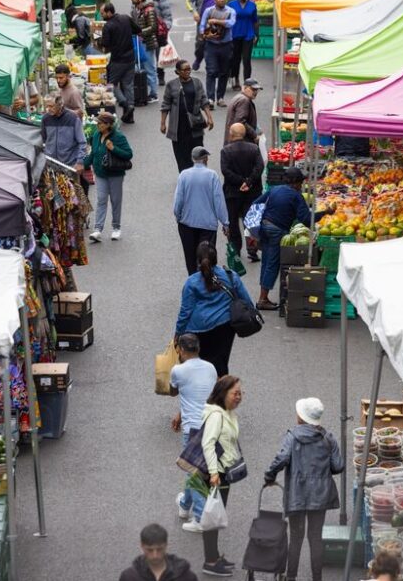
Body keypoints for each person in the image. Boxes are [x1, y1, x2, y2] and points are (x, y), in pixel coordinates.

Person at [264, 398, 345, 581]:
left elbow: (282, 458)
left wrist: (270, 475)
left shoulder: (292, 437)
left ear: (301, 417)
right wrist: (324, 469)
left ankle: (291, 577)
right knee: (316, 538)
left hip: (297, 494)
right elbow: (338, 465)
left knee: (296, 537)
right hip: (320, 494)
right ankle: (317, 578)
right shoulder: (328, 437)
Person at [176, 242, 251, 382]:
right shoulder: (231, 276)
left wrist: (178, 334)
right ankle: (220, 395)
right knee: (221, 365)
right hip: (225, 328)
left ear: (198, 261)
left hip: (198, 330)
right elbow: (247, 301)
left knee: (200, 367)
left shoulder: (191, 283)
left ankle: (204, 394)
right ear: (216, 258)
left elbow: (185, 312)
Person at [171, 333, 218, 529]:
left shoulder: (178, 371)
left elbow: (174, 390)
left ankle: (199, 518)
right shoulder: (211, 368)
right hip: (212, 424)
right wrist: (180, 414)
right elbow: (202, 395)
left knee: (195, 473)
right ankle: (184, 505)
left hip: (193, 429)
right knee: (195, 469)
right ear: (198, 349)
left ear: (180, 350)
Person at [198, 374, 243, 577]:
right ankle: (210, 561)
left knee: (215, 515)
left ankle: (214, 556)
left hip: (223, 472)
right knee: (212, 517)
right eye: (235, 393)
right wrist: (214, 473)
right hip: (217, 474)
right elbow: (208, 443)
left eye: (241, 393)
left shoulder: (227, 413)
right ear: (223, 394)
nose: (239, 397)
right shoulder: (217, 415)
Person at [253, 167, 312, 310]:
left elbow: (256, 203)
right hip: (276, 231)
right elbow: (306, 219)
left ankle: (263, 296)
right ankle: (262, 299)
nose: (301, 185)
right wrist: (325, 213)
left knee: (266, 262)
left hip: (264, 227)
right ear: (295, 183)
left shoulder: (275, 189)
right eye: (300, 182)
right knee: (272, 264)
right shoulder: (296, 196)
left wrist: (255, 228)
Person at [173, 147, 229, 275]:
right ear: (205, 159)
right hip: (207, 226)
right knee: (206, 257)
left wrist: (178, 216)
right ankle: (207, 281)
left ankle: (193, 282)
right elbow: (219, 201)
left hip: (187, 224)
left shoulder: (184, 175)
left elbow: (178, 201)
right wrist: (225, 223)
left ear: (193, 159)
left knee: (190, 257)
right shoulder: (212, 176)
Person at [220, 123, 263, 263]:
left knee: (233, 223)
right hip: (252, 192)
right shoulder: (254, 149)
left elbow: (225, 171)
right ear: (244, 134)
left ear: (231, 134)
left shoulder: (226, 151)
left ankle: (236, 251)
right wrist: (248, 182)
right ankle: (252, 251)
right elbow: (259, 167)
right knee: (250, 222)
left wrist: (240, 182)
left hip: (233, 193)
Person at [87, 110, 133, 242]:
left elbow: (128, 154)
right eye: (97, 123)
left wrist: (113, 148)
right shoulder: (96, 135)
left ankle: (116, 228)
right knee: (101, 200)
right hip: (100, 174)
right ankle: (98, 229)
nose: (97, 125)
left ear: (108, 125)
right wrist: (83, 165)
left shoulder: (118, 137)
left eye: (100, 123)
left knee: (115, 201)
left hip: (115, 174)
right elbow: (93, 154)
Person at [162, 60, 214, 172]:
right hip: (178, 127)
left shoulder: (197, 82)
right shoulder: (171, 85)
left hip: (195, 124)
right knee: (181, 154)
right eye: (184, 70)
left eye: (189, 69)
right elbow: (166, 105)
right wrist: (163, 123)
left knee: (199, 151)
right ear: (177, 72)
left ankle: (201, 174)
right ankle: (184, 175)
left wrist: (209, 117)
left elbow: (204, 101)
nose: (188, 71)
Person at [99, 2, 140, 123]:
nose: (101, 16)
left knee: (111, 85)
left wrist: (99, 41)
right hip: (130, 58)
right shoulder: (126, 18)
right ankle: (130, 113)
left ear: (108, 12)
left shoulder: (108, 26)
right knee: (128, 85)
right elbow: (138, 29)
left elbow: (105, 44)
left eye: (102, 13)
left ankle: (125, 104)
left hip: (117, 60)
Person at [187, 0, 233, 70]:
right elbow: (189, 1)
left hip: (218, 20)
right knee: (200, 44)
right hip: (203, 21)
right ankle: (198, 59)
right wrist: (194, 12)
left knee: (217, 42)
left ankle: (213, 66)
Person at [120, 523, 199, 581]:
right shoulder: (129, 577)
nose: (155, 555)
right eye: (150, 550)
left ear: (166, 545)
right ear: (142, 546)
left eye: (159, 549)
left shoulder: (186, 577)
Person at [199, 0, 236, 105]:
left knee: (224, 72)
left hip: (226, 45)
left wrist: (216, 21)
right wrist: (205, 34)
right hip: (211, 45)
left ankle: (220, 97)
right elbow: (202, 25)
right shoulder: (208, 11)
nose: (222, 0)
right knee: (211, 71)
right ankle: (210, 98)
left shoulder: (231, 11)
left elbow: (231, 23)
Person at [40, 94, 86, 172]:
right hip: (51, 165)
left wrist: (80, 162)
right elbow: (43, 140)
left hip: (70, 165)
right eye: (47, 106)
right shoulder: (45, 119)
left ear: (60, 105)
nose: (48, 109)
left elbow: (82, 142)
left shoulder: (73, 118)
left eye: (51, 106)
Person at [131, 0, 160, 101]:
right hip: (139, 41)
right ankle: (144, 92)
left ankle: (153, 94)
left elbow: (153, 27)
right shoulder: (136, 8)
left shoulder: (149, 9)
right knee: (141, 67)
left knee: (150, 68)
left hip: (147, 42)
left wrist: (139, 32)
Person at [228, 0, 259, 88]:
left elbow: (255, 21)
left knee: (246, 60)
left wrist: (256, 34)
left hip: (248, 34)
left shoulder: (252, 5)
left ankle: (247, 82)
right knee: (235, 59)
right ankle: (235, 79)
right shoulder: (231, 4)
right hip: (235, 34)